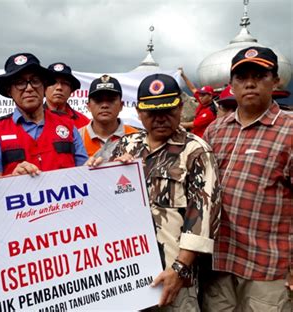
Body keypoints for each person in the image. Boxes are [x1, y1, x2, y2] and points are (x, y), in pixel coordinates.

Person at [89, 73, 221, 311]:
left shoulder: (196, 151)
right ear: (139, 112)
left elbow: (203, 220)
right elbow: (100, 200)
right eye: (151, 112)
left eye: (168, 110)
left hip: (172, 278)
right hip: (125, 274)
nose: (160, 118)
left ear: (180, 109)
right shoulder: (125, 145)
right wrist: (99, 170)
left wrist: (179, 270)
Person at [203, 46, 292, 311]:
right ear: (231, 84)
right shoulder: (216, 130)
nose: (250, 83)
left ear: (275, 81)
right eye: (241, 78)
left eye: (259, 75)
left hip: (268, 269)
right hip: (219, 263)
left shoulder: (289, 131)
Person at [0, 53, 88, 177]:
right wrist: (11, 179)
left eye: (35, 81)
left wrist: (99, 166)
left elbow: (85, 173)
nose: (29, 88)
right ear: (9, 90)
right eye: (20, 82)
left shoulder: (68, 126)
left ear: (44, 86)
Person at [78, 74, 138, 160]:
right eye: (98, 100)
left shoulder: (137, 137)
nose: (105, 105)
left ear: (121, 105)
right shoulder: (77, 138)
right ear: (88, 106)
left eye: (111, 100)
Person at [45, 62, 90, 129]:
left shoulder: (84, 123)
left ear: (71, 91)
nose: (59, 87)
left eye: (65, 83)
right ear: (44, 88)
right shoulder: (30, 119)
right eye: (53, 82)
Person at [179, 69, 217, 137]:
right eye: (200, 95)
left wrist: (176, 124)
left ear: (210, 96)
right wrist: (183, 76)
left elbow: (192, 124)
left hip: (202, 139)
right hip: (195, 135)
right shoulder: (203, 103)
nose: (200, 97)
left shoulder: (209, 112)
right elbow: (193, 88)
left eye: (203, 95)